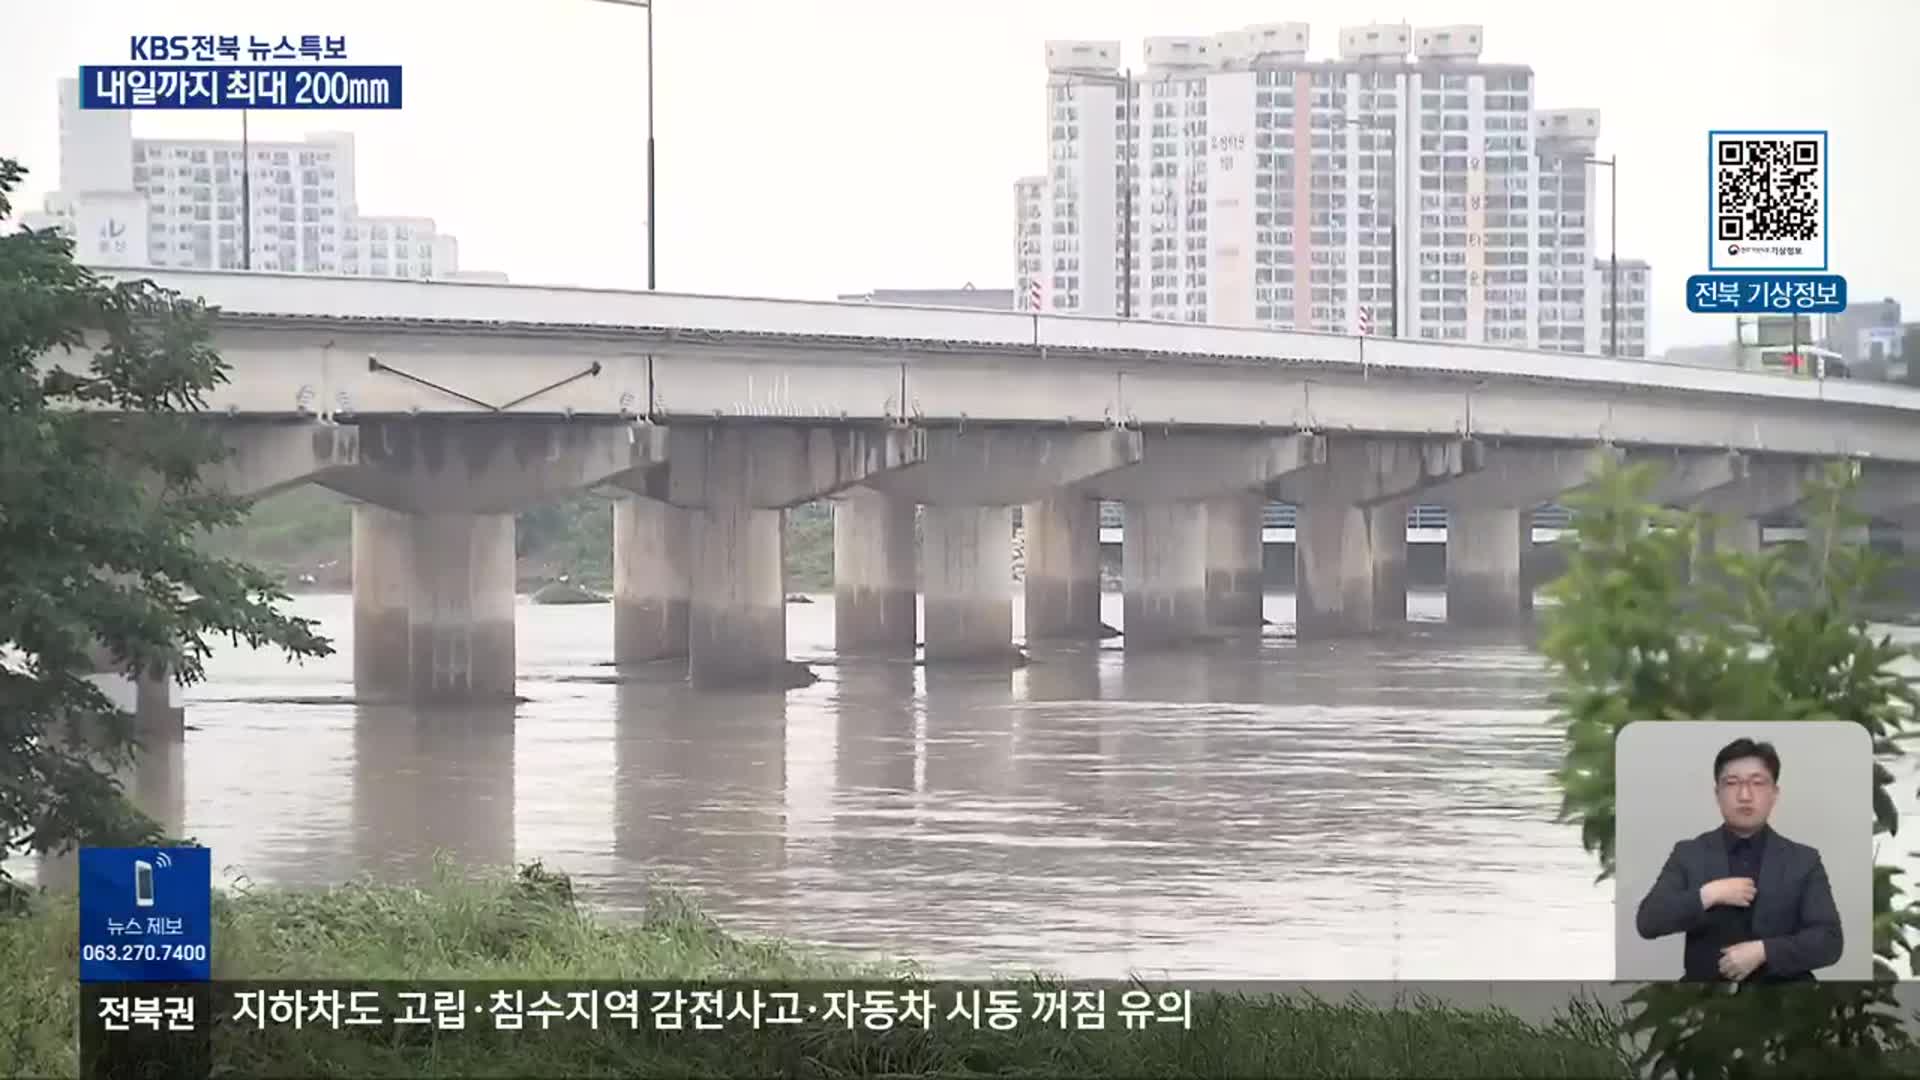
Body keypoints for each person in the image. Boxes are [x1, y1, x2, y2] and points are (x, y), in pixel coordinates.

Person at [1634, 736, 1843, 982]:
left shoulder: (1804, 860)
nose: (1745, 795)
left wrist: (1764, 951)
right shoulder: (1689, 853)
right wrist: (1707, 895)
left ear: (1774, 793)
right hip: (1704, 1006)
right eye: (1732, 783)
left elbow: (1829, 941)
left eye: (1757, 783)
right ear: (1717, 793)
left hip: (1786, 1006)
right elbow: (1648, 921)